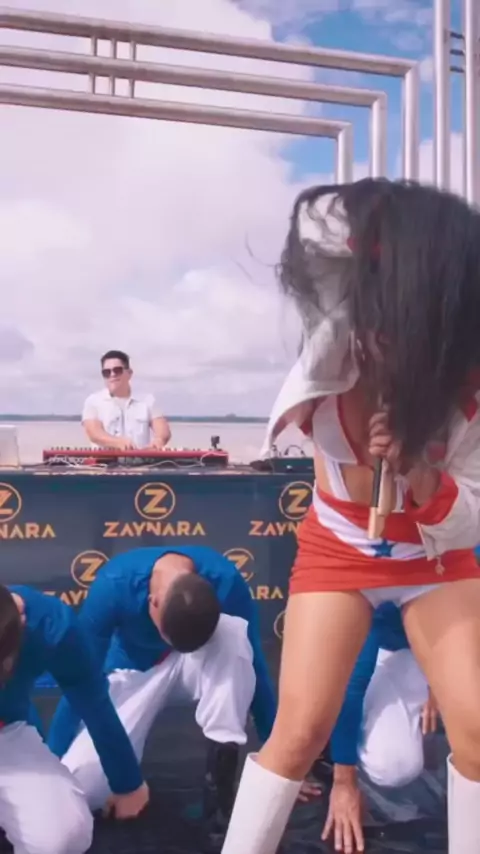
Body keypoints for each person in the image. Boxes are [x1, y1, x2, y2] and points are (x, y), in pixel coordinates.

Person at [221, 178, 480, 854]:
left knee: (479, 733)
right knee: (298, 732)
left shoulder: (470, 382)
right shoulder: (333, 332)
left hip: (436, 558)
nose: (389, 337)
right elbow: (316, 230)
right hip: (338, 549)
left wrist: (422, 475)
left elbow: (475, 508)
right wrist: (399, 222)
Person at [47, 546, 279, 851]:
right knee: (83, 786)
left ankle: (218, 803)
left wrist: (277, 754)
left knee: (233, 636)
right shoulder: (114, 584)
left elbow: (255, 665)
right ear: (152, 602)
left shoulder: (225, 579)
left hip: (196, 669)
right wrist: (55, 763)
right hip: (134, 674)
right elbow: (82, 680)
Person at [0, 584, 148, 854]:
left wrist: (127, 782)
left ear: (21, 624)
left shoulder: (50, 626)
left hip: (4, 730)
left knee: (63, 836)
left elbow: (92, 700)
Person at [324, 601, 436, 853]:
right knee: (394, 767)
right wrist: (344, 780)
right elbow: (353, 684)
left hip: (446, 646)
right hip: (387, 648)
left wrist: (440, 680)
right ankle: (349, 731)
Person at [82, 349, 171, 449]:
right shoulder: (93, 401)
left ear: (129, 373)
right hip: (103, 459)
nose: (112, 375)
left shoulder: (148, 400)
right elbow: (94, 433)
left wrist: (158, 440)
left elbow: (162, 430)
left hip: (141, 458)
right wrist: (117, 443)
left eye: (117, 370)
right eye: (107, 372)